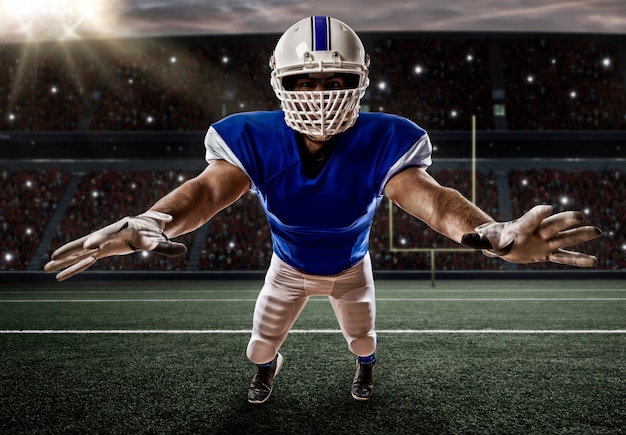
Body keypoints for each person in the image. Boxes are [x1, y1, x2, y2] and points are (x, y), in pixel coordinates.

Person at [44, 16, 602, 404]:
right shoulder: (252, 138)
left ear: (359, 83)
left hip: (350, 270)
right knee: (259, 345)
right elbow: (209, 190)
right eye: (305, 80)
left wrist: (486, 231)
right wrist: (154, 220)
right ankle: (268, 373)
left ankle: (365, 370)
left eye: (334, 80)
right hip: (286, 269)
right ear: (280, 85)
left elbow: (430, 200)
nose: (319, 92)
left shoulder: (386, 140)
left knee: (362, 338)